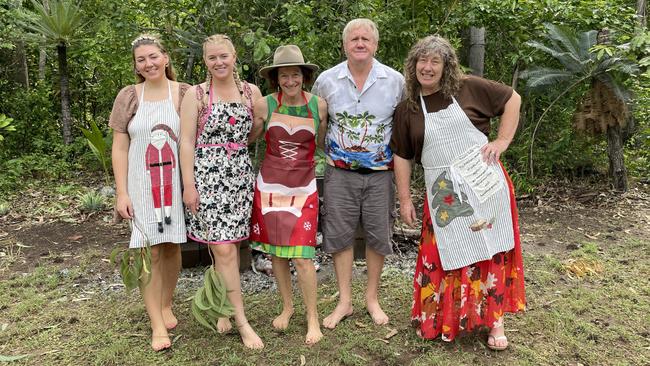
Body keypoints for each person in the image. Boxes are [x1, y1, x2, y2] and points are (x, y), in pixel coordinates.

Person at [390, 35, 526, 351]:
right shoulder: (407, 109)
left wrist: (503, 141)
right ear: (413, 67)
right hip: (443, 193)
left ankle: (495, 320)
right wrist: (405, 198)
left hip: (483, 183)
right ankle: (443, 318)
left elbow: (513, 100)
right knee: (442, 255)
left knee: (488, 248)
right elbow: (401, 156)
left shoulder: (468, 88)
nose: (427, 67)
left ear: (446, 65)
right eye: (421, 61)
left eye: (434, 61)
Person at [312, 18, 405, 329]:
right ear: (345, 45)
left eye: (366, 39)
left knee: (379, 235)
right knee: (339, 235)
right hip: (338, 173)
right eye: (354, 39)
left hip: (381, 174)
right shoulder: (326, 81)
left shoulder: (395, 81)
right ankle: (344, 301)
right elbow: (317, 123)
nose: (360, 43)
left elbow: (404, 127)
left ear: (375, 45)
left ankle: (372, 299)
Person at [178, 34, 264, 349]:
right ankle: (242, 322)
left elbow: (256, 128)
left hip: (239, 178)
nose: (219, 62)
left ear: (234, 56)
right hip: (206, 179)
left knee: (226, 247)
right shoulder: (196, 95)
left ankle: (221, 306)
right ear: (205, 62)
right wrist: (189, 185)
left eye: (224, 56)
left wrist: (235, 153)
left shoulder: (250, 92)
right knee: (225, 249)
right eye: (212, 58)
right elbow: (186, 141)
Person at [110, 34, 188, 351]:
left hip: (175, 182)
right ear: (136, 66)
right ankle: (157, 323)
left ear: (165, 58)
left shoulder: (184, 94)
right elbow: (119, 146)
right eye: (141, 59)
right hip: (141, 186)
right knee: (149, 250)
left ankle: (165, 302)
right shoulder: (129, 97)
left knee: (171, 246)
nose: (148, 64)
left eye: (153, 56)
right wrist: (121, 192)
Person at [249, 45, 328, 345]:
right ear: (276, 79)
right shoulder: (264, 105)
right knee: (277, 253)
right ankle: (287, 307)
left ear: (304, 76)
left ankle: (312, 317)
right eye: (285, 75)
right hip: (270, 186)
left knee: (303, 257)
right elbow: (248, 139)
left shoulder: (319, 106)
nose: (291, 81)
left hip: (304, 186)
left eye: (296, 74)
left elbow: (321, 143)